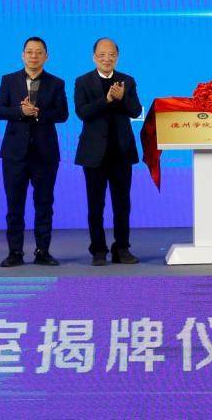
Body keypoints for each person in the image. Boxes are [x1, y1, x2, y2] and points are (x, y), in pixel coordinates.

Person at [0, 36, 69, 267]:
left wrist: (37, 113)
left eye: (38, 52)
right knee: (14, 205)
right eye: (29, 52)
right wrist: (20, 112)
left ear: (46, 56)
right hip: (14, 154)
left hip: (45, 154)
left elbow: (62, 114)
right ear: (22, 55)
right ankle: (15, 252)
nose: (33, 56)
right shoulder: (8, 80)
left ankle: (42, 251)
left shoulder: (56, 83)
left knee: (44, 204)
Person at [74, 38, 143, 266]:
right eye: (102, 55)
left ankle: (122, 248)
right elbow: (82, 112)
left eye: (111, 54)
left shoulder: (127, 81)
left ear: (117, 57)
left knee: (122, 204)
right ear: (94, 57)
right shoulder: (83, 81)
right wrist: (106, 100)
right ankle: (98, 250)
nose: (107, 59)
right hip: (94, 154)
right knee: (96, 205)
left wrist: (121, 99)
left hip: (121, 152)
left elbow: (135, 111)